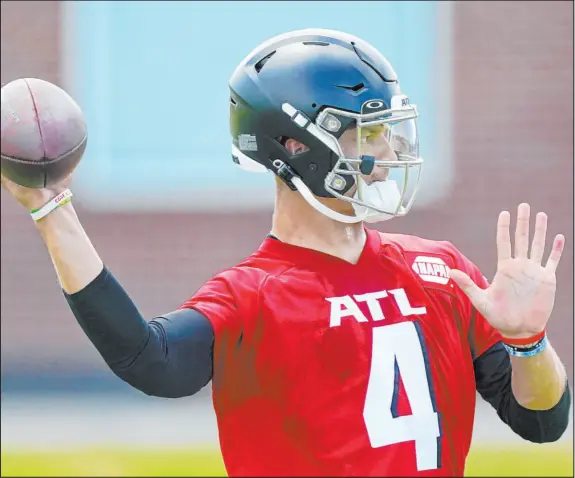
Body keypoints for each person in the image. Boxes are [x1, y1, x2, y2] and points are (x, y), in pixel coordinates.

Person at [1, 28, 570, 477]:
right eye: (367, 134)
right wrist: (52, 210)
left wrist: (528, 342)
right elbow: (153, 362)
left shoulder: (441, 269)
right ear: (297, 147)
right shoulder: (252, 296)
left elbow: (542, 421)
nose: (391, 151)